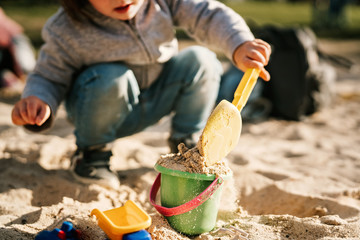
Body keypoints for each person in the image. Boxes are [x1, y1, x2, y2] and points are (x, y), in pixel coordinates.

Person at [11, 0, 271, 189]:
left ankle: (188, 146)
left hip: (155, 97)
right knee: (113, 77)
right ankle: (92, 154)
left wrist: (239, 44)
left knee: (201, 59)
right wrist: (38, 99)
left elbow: (207, 14)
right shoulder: (68, 27)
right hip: (100, 108)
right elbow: (49, 73)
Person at [0, 7, 36, 90]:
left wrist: (20, 73)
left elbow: (10, 46)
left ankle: (32, 82)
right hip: (5, 51)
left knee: (27, 67)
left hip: (14, 41)